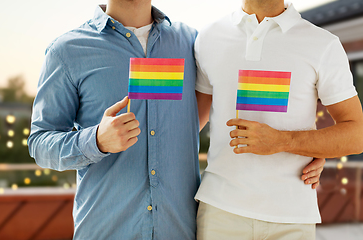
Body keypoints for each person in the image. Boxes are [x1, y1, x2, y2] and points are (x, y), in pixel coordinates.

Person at [28, 0, 324, 239]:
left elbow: (235, 100)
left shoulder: (192, 43)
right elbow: (40, 143)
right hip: (106, 229)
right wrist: (95, 140)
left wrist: (298, 147)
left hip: (180, 229)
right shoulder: (68, 50)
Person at [195, 0, 363, 239]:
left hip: (292, 219)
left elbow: (357, 135)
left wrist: (284, 141)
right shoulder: (209, 37)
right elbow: (188, 126)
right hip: (220, 213)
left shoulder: (322, 44)